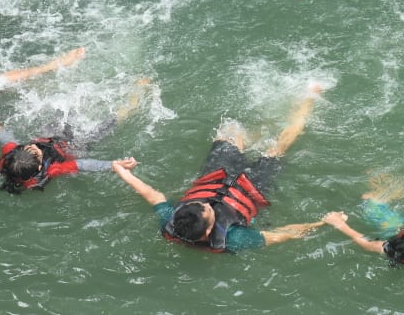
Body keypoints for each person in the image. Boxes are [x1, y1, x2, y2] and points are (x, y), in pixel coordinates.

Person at [111, 86, 327, 253]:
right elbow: (281, 234)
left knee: (231, 130)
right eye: (207, 208)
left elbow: (152, 195)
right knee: (277, 149)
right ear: (208, 231)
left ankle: (255, 134)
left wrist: (122, 171)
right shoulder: (234, 238)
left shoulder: (174, 219)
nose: (205, 203)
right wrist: (323, 222)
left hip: (216, 176)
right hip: (250, 188)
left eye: (200, 203)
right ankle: (309, 99)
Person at [0, 77, 152, 193]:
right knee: (104, 126)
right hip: (72, 147)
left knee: (64, 107)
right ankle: (134, 101)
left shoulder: (10, 156)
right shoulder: (52, 170)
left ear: (16, 151)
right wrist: (113, 164)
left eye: (30, 147)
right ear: (40, 166)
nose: (35, 146)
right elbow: (84, 164)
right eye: (37, 152)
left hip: (50, 135)